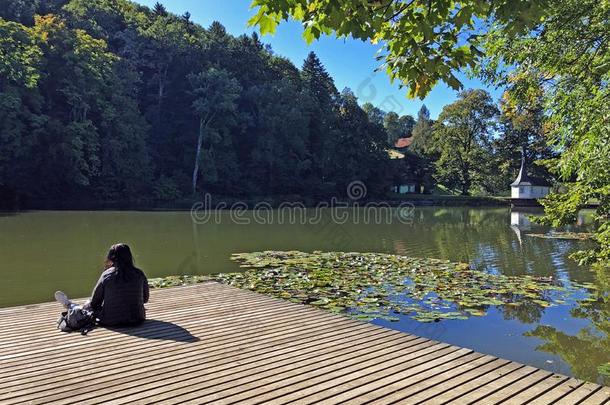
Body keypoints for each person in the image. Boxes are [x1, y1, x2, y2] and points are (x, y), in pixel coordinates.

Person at [55, 243, 149, 327]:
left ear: (111, 257)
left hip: (111, 320)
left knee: (88, 304)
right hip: (138, 319)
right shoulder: (139, 273)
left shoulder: (107, 275)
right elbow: (145, 299)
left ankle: (71, 306)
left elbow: (95, 302)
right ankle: (70, 305)